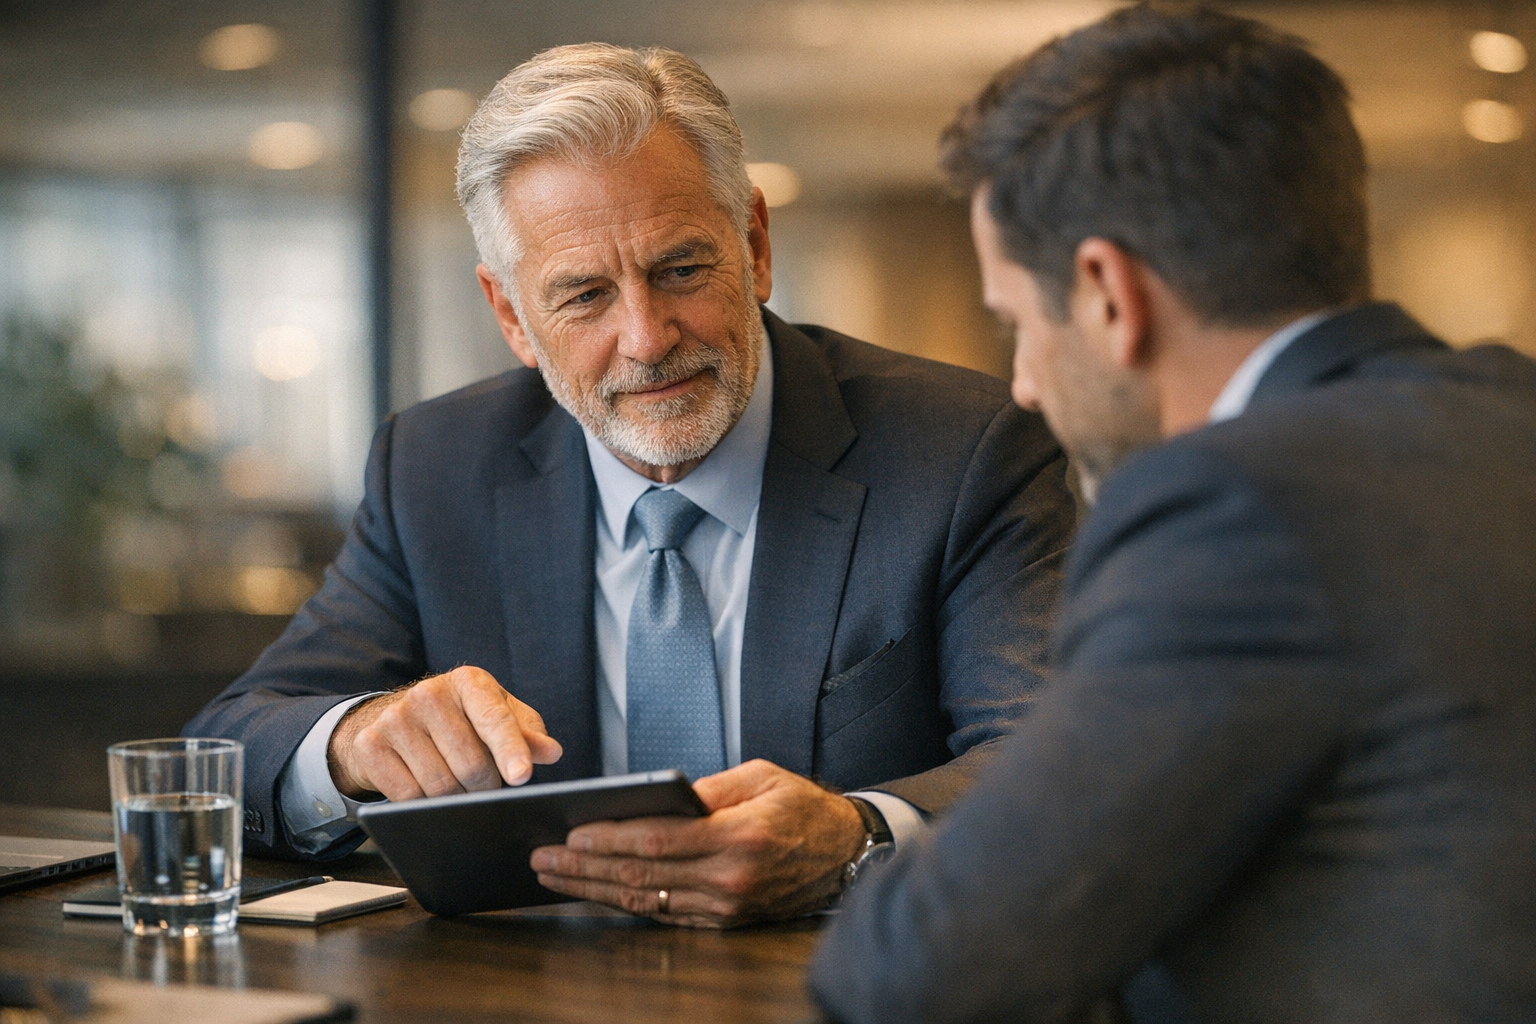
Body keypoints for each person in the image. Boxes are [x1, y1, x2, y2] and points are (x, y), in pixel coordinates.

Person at [184, 43, 1074, 927]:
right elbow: (226, 746)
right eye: (584, 296)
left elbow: (1058, 759)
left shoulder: (961, 449)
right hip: (527, 984)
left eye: (680, 270)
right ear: (511, 316)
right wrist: (355, 742)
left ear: (755, 246)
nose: (647, 339)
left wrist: (857, 838)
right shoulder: (435, 467)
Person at [809, 4, 1536, 1021]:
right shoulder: (1509, 412)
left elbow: (918, 965)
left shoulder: (1234, 509)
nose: (1023, 383)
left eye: (1016, 324)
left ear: (1109, 293)